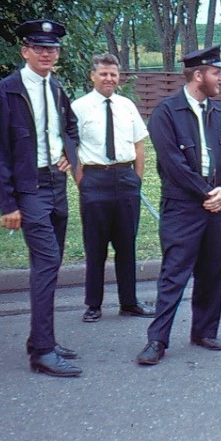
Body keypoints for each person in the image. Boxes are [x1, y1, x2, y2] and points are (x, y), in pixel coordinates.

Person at [0, 19, 82, 377]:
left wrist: (71, 154)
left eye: (52, 48)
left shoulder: (55, 86)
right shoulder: (6, 91)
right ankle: (41, 351)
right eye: (39, 48)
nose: (46, 53)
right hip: (29, 190)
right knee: (46, 262)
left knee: (50, 265)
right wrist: (6, 204)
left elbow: (70, 127)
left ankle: (42, 339)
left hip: (56, 184)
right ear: (24, 51)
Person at [136, 45, 221, 366]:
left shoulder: (220, 112)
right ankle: (157, 340)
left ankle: (204, 330)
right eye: (216, 72)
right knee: (174, 274)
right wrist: (206, 194)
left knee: (213, 271)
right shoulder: (166, 113)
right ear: (198, 76)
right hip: (183, 207)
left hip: (217, 206)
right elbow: (172, 165)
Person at [72, 53, 155, 323]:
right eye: (104, 74)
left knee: (126, 245)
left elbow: (139, 145)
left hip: (125, 179)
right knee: (95, 247)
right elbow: (71, 149)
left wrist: (136, 179)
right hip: (94, 181)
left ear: (119, 77)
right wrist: (81, 182)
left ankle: (128, 302)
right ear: (92, 75)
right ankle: (93, 304)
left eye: (113, 74)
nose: (109, 79)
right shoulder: (79, 108)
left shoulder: (127, 105)